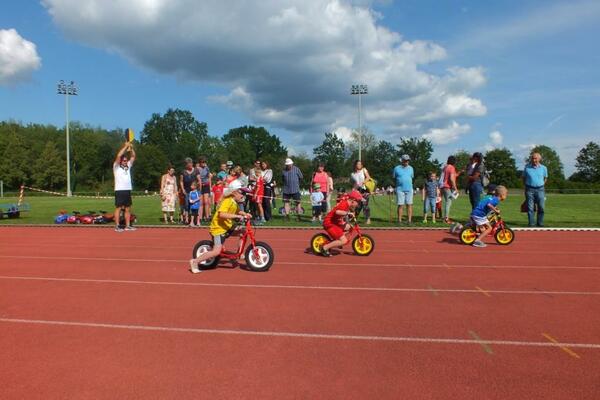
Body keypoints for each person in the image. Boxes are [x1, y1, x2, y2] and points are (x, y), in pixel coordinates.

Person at [189, 180, 252, 273]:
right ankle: (195, 261)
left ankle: (240, 253)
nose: (243, 195)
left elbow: (238, 211)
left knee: (243, 232)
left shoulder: (234, 202)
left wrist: (245, 214)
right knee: (216, 252)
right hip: (218, 229)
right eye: (242, 192)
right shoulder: (228, 201)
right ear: (234, 192)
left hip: (227, 227)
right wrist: (237, 217)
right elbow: (221, 214)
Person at [320, 190, 363, 257]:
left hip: (335, 222)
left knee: (350, 227)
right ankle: (324, 248)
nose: (358, 204)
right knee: (344, 241)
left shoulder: (348, 203)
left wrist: (350, 214)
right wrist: (347, 213)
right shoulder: (344, 204)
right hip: (329, 223)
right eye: (358, 202)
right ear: (353, 201)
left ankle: (337, 240)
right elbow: (337, 212)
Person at [113, 142, 136, 232]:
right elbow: (119, 155)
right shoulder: (116, 167)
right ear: (120, 161)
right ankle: (117, 226)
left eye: (126, 161)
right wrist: (125, 147)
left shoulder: (128, 166)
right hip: (119, 190)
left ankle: (127, 226)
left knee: (128, 208)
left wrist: (131, 148)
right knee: (118, 208)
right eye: (124, 161)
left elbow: (133, 156)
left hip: (127, 190)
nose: (126, 162)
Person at [523, 152, 548, 227]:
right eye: (533, 158)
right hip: (529, 189)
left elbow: (545, 178)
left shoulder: (544, 168)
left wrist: (542, 184)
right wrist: (526, 185)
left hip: (540, 189)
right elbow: (523, 178)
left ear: (539, 159)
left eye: (535, 158)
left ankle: (540, 223)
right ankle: (531, 223)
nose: (534, 160)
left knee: (541, 207)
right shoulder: (527, 167)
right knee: (530, 208)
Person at [393, 154, 414, 224]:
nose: (406, 162)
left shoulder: (411, 168)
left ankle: (409, 220)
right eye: (405, 160)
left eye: (407, 160)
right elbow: (394, 178)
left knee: (409, 204)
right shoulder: (396, 168)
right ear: (402, 160)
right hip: (400, 189)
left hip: (409, 189)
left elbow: (411, 177)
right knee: (400, 205)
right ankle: (399, 220)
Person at [350, 160, 372, 224]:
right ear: (355, 165)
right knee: (357, 205)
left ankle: (368, 219)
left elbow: (368, 177)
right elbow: (354, 183)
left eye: (360, 164)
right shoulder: (352, 174)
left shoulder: (364, 170)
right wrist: (353, 190)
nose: (359, 165)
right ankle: (354, 218)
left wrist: (363, 182)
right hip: (357, 191)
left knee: (365, 205)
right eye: (358, 164)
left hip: (364, 190)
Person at [440, 156, 459, 223]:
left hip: (443, 186)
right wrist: (455, 188)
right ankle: (446, 219)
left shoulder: (445, 167)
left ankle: (444, 217)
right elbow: (451, 178)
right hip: (448, 187)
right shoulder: (452, 167)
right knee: (448, 203)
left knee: (446, 202)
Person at [179, 158, 198, 225]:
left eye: (191, 163)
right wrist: (183, 189)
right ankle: (187, 219)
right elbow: (181, 181)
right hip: (186, 191)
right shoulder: (183, 172)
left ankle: (194, 220)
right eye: (189, 163)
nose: (190, 164)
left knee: (194, 205)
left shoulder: (196, 171)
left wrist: (198, 189)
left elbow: (199, 180)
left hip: (194, 191)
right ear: (186, 165)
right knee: (187, 205)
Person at [196, 157, 212, 222]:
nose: (204, 163)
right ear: (200, 163)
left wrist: (210, 187)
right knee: (201, 202)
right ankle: (200, 217)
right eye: (202, 162)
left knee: (206, 202)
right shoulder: (197, 169)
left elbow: (209, 178)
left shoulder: (207, 168)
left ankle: (207, 217)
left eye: (205, 162)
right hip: (199, 185)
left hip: (206, 185)